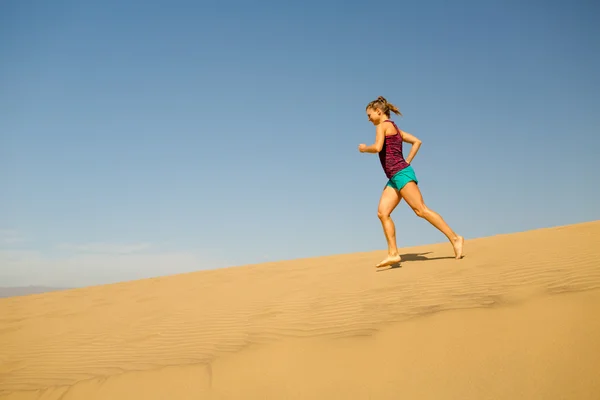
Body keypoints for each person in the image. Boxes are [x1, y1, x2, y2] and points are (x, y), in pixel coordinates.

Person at [358, 96, 464, 268]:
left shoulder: (382, 126)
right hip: (395, 177)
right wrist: (407, 160)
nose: (369, 119)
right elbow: (417, 141)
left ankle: (455, 238)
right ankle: (393, 253)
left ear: (378, 112)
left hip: (401, 174)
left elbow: (377, 147)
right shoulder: (396, 129)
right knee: (383, 213)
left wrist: (364, 149)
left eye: (369, 115)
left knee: (420, 210)